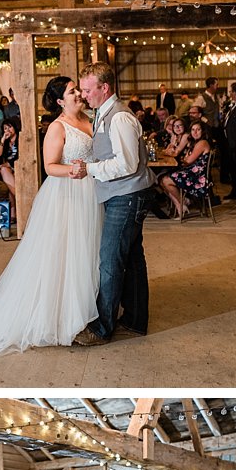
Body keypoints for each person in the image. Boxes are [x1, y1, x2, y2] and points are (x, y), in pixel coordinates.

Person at [0, 77, 102, 355]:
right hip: (67, 194)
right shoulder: (57, 128)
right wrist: (72, 170)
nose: (78, 94)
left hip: (92, 191)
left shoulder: (90, 118)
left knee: (89, 251)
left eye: (77, 90)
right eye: (72, 92)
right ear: (60, 101)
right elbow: (50, 167)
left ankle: (91, 310)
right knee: (66, 254)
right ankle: (66, 318)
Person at [71, 62, 155, 345]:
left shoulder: (119, 118)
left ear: (104, 88)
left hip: (128, 195)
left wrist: (91, 169)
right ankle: (134, 319)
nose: (83, 95)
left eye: (87, 89)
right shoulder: (103, 114)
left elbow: (128, 164)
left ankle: (101, 328)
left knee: (109, 261)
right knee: (131, 259)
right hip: (123, 194)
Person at [160, 119, 212, 218]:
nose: (195, 132)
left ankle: (183, 202)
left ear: (203, 131)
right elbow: (185, 159)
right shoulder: (195, 142)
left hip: (197, 177)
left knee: (166, 180)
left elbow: (187, 161)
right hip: (191, 172)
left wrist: (185, 158)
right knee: (162, 180)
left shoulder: (202, 143)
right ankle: (182, 204)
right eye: (193, 130)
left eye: (198, 130)